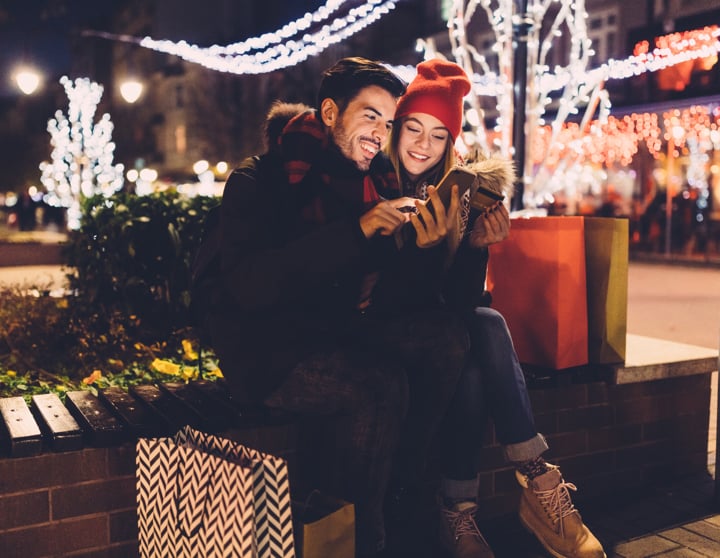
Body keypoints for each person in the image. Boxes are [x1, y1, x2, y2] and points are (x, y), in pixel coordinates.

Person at [201, 57, 470, 557]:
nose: (381, 133)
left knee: (447, 338)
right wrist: (359, 231)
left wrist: (435, 245)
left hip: (334, 332)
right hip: (269, 352)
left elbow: (395, 298)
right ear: (330, 112)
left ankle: (406, 491)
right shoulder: (263, 181)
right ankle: (362, 542)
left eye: (390, 123)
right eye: (371, 116)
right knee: (378, 385)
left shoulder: (373, 184)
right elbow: (251, 288)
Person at [384, 57, 606, 558]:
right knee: (485, 323)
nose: (422, 144)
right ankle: (537, 478)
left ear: (451, 144)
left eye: (438, 136)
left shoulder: (456, 192)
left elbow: (459, 304)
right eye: (413, 128)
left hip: (446, 340)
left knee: (473, 359)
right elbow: (390, 299)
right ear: (396, 129)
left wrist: (478, 244)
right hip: (391, 341)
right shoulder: (376, 188)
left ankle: (458, 517)